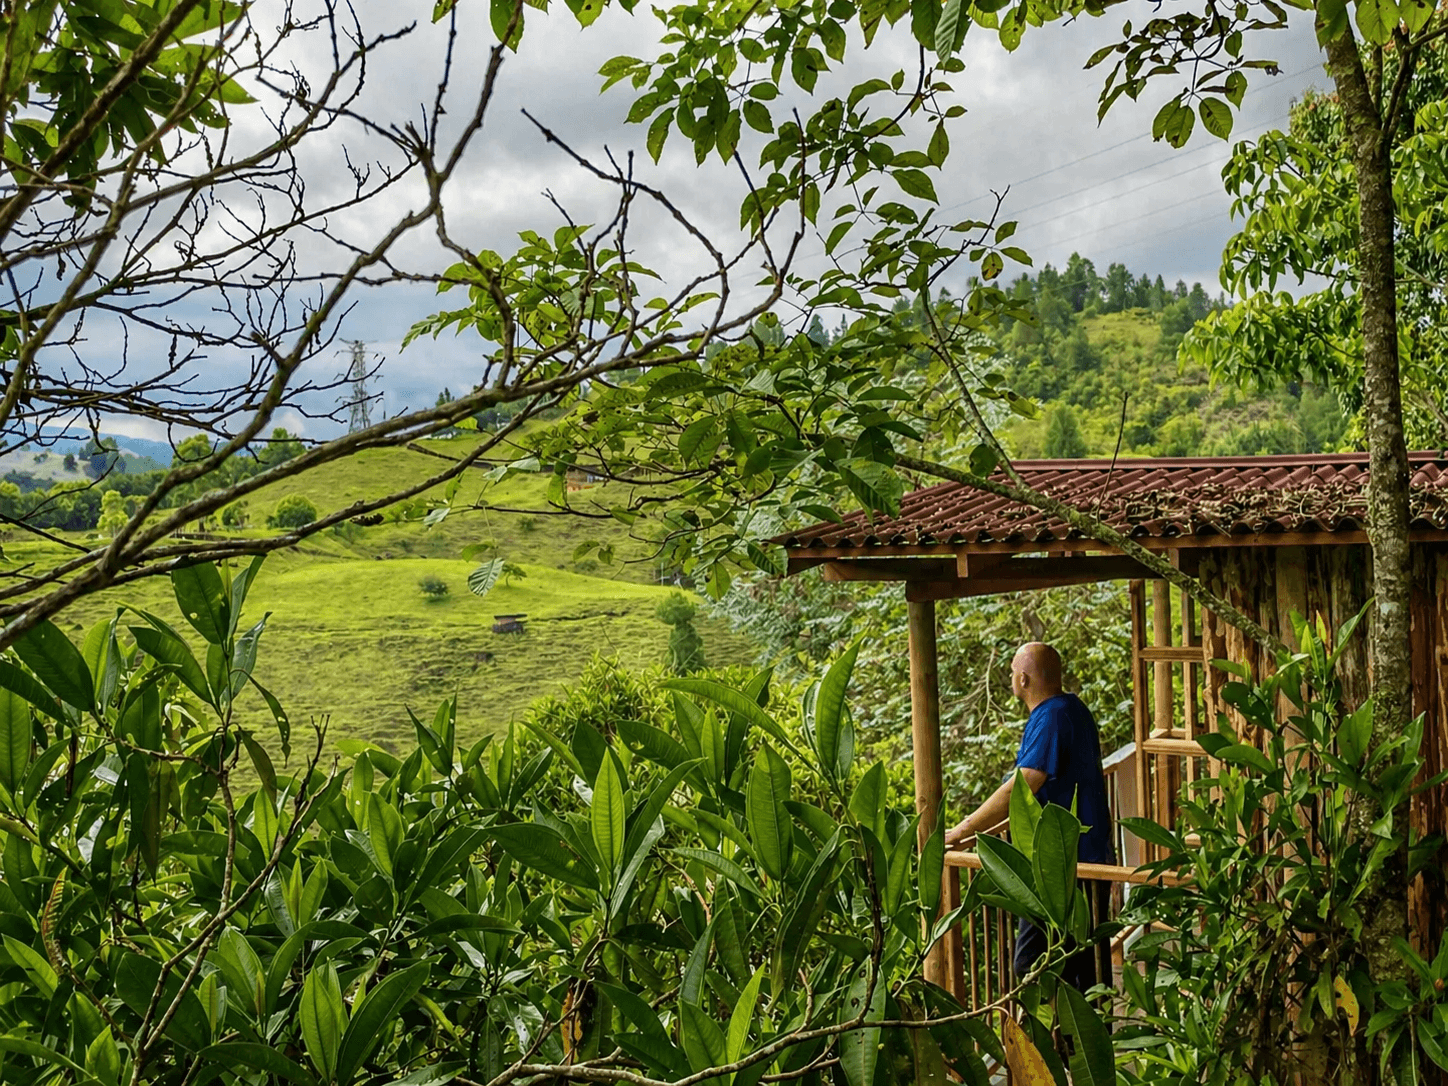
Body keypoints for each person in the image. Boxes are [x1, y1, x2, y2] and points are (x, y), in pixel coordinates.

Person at [943, 641, 1113, 990]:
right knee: (1085, 958)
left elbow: (1026, 783)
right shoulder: (1072, 708)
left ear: (1023, 679)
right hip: (1087, 853)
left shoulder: (1051, 716)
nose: (1009, 677)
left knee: (1035, 962)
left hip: (1065, 862)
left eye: (1010, 672)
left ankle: (1060, 1039)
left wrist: (962, 829)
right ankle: (1086, 1038)